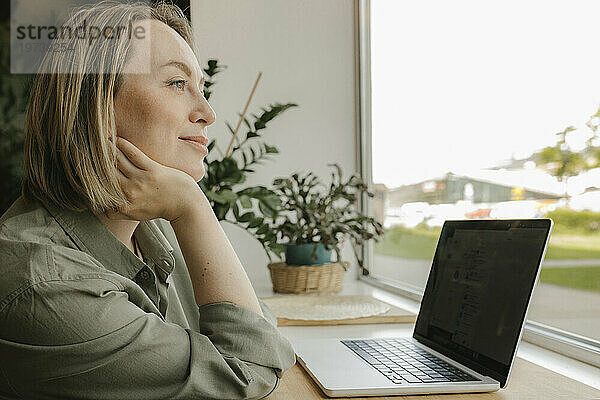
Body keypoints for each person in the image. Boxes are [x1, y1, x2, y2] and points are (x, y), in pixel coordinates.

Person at [0, 1, 296, 399]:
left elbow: (256, 330)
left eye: (201, 89)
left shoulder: (151, 228)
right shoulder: (46, 286)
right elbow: (251, 368)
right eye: (176, 84)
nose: (207, 112)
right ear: (97, 105)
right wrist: (193, 207)